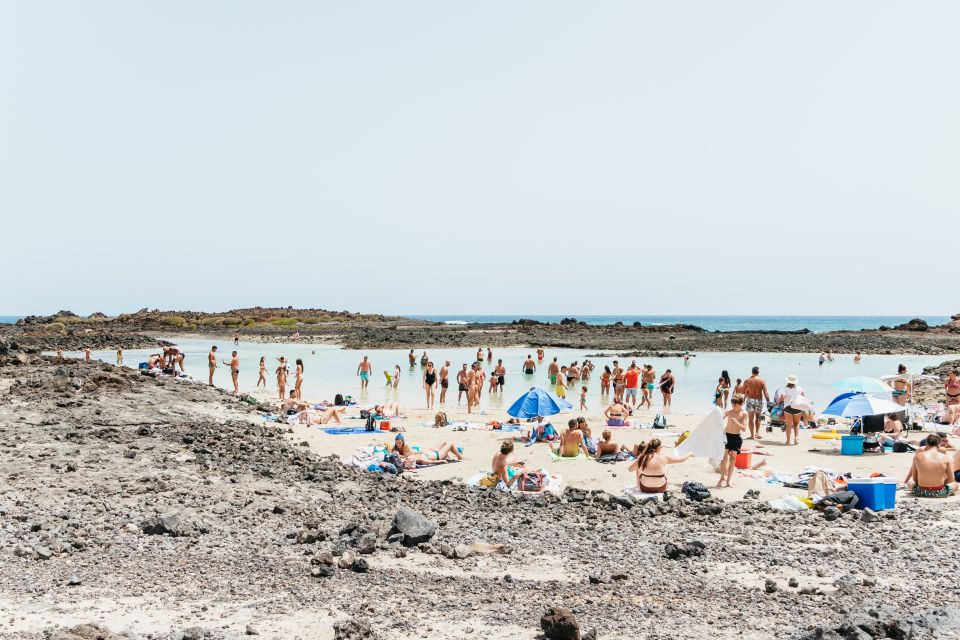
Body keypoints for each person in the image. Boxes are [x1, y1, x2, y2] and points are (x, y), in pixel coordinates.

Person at [717, 395, 747, 488]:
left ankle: (728, 481)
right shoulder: (729, 412)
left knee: (733, 459)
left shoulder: (744, 413)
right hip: (726, 436)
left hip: (736, 437)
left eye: (735, 405)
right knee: (723, 458)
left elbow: (744, 429)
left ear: (741, 404)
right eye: (732, 404)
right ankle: (722, 477)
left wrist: (737, 422)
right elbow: (719, 419)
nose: (733, 406)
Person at [393, 433, 463, 467]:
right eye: (397, 443)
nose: (398, 444)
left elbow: (404, 457)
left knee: (444, 443)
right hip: (437, 455)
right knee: (450, 444)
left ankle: (452, 456)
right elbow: (428, 462)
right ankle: (460, 457)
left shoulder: (408, 451)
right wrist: (440, 461)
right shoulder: (418, 459)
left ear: (403, 442)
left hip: (431, 453)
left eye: (399, 443)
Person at [777, 375, 808, 446]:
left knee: (788, 425)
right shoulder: (800, 389)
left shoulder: (785, 389)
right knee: (796, 423)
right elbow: (804, 398)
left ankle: (788, 441)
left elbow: (782, 398)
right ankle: (796, 438)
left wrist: (779, 402)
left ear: (788, 381)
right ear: (795, 382)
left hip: (788, 408)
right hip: (797, 408)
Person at [742, 367, 770, 440]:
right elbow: (765, 393)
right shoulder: (762, 380)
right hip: (759, 401)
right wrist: (768, 402)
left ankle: (752, 435)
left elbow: (742, 392)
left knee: (751, 419)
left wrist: (743, 399)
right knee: (758, 418)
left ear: (752, 372)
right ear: (758, 372)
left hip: (750, 400)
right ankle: (757, 433)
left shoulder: (747, 380)